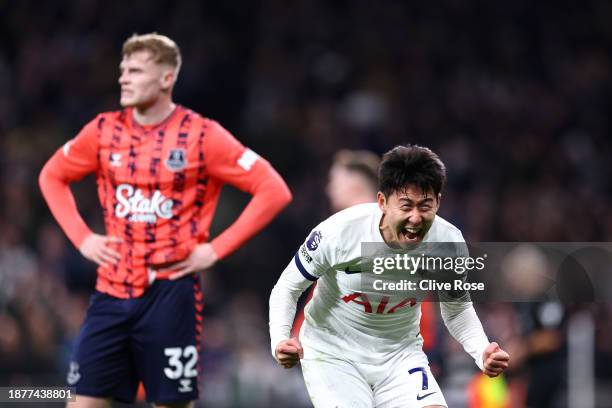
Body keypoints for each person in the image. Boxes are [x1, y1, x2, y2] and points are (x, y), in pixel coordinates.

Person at [39, 33, 292, 408]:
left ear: (166, 78)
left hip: (170, 293)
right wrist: (81, 238)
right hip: (111, 291)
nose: (123, 78)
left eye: (136, 70)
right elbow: (51, 176)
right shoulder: (103, 130)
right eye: (123, 70)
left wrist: (216, 249)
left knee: (171, 404)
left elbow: (274, 190)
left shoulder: (203, 135)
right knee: (82, 401)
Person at [269, 145, 509, 407]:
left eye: (425, 206)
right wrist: (280, 339)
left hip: (400, 355)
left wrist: (481, 350)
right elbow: (288, 287)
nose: (415, 218)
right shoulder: (338, 232)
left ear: (438, 202)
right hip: (334, 354)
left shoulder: (447, 243)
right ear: (382, 202)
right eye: (406, 206)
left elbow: (457, 310)